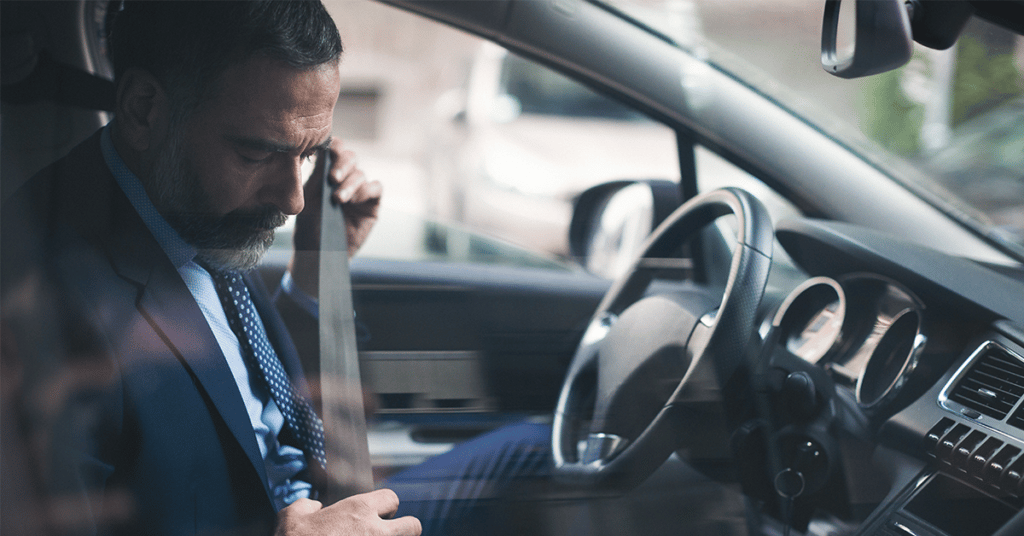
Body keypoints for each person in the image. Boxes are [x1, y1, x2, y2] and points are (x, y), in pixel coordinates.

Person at [0, 2, 422, 534]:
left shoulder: (190, 206)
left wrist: (317, 265)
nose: (294, 200)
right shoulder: (38, 298)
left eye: (308, 154)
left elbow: (248, 394)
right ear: (143, 109)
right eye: (257, 155)